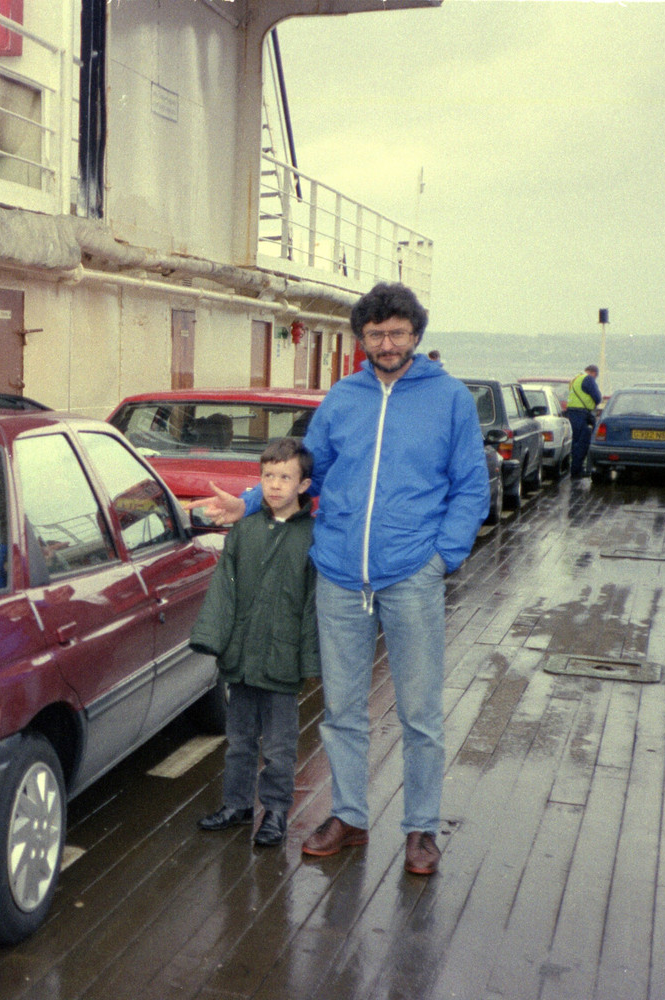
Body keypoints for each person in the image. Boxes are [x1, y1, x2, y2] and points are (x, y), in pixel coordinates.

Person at [189, 282, 487, 876]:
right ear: (362, 339)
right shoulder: (344, 398)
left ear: (416, 334)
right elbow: (307, 471)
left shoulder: (450, 399)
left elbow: (471, 487)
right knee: (342, 709)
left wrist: (441, 558)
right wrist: (249, 502)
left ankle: (421, 828)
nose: (387, 344)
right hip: (341, 575)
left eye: (397, 332)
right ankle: (349, 815)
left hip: (411, 574)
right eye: (375, 334)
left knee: (420, 713)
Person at [188, 438, 320, 848]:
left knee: (279, 746)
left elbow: (313, 605)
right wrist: (213, 639)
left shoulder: (313, 538)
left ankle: (276, 812)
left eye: (285, 477)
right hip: (242, 658)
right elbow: (224, 591)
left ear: (304, 485)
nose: (275, 485)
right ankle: (237, 804)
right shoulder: (244, 532)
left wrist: (310, 660)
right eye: (268, 476)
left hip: (282, 660)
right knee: (239, 740)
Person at [566, 364, 602, 478]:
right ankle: (577, 470)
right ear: (594, 373)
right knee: (582, 442)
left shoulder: (576, 378)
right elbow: (597, 397)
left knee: (575, 441)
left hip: (572, 412)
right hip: (582, 413)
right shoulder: (588, 379)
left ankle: (575, 468)